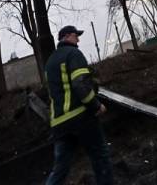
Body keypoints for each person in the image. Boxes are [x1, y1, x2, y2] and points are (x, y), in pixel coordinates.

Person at [44, 25, 113, 185]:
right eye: (76, 36)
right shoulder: (73, 54)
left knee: (60, 168)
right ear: (67, 36)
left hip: (59, 123)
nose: (78, 39)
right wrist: (96, 106)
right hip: (81, 118)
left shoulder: (49, 63)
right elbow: (80, 85)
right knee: (100, 156)